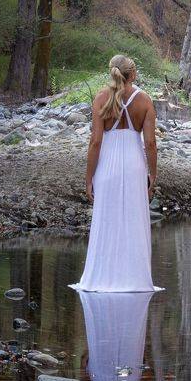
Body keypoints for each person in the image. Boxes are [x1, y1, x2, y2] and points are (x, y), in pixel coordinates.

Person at [72, 54, 161, 292]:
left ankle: (102, 276)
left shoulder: (101, 97)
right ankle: (134, 279)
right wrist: (153, 174)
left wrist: (88, 177)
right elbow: (150, 143)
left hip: (107, 166)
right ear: (133, 74)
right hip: (134, 166)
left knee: (107, 218)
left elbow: (95, 142)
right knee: (134, 219)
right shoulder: (144, 100)